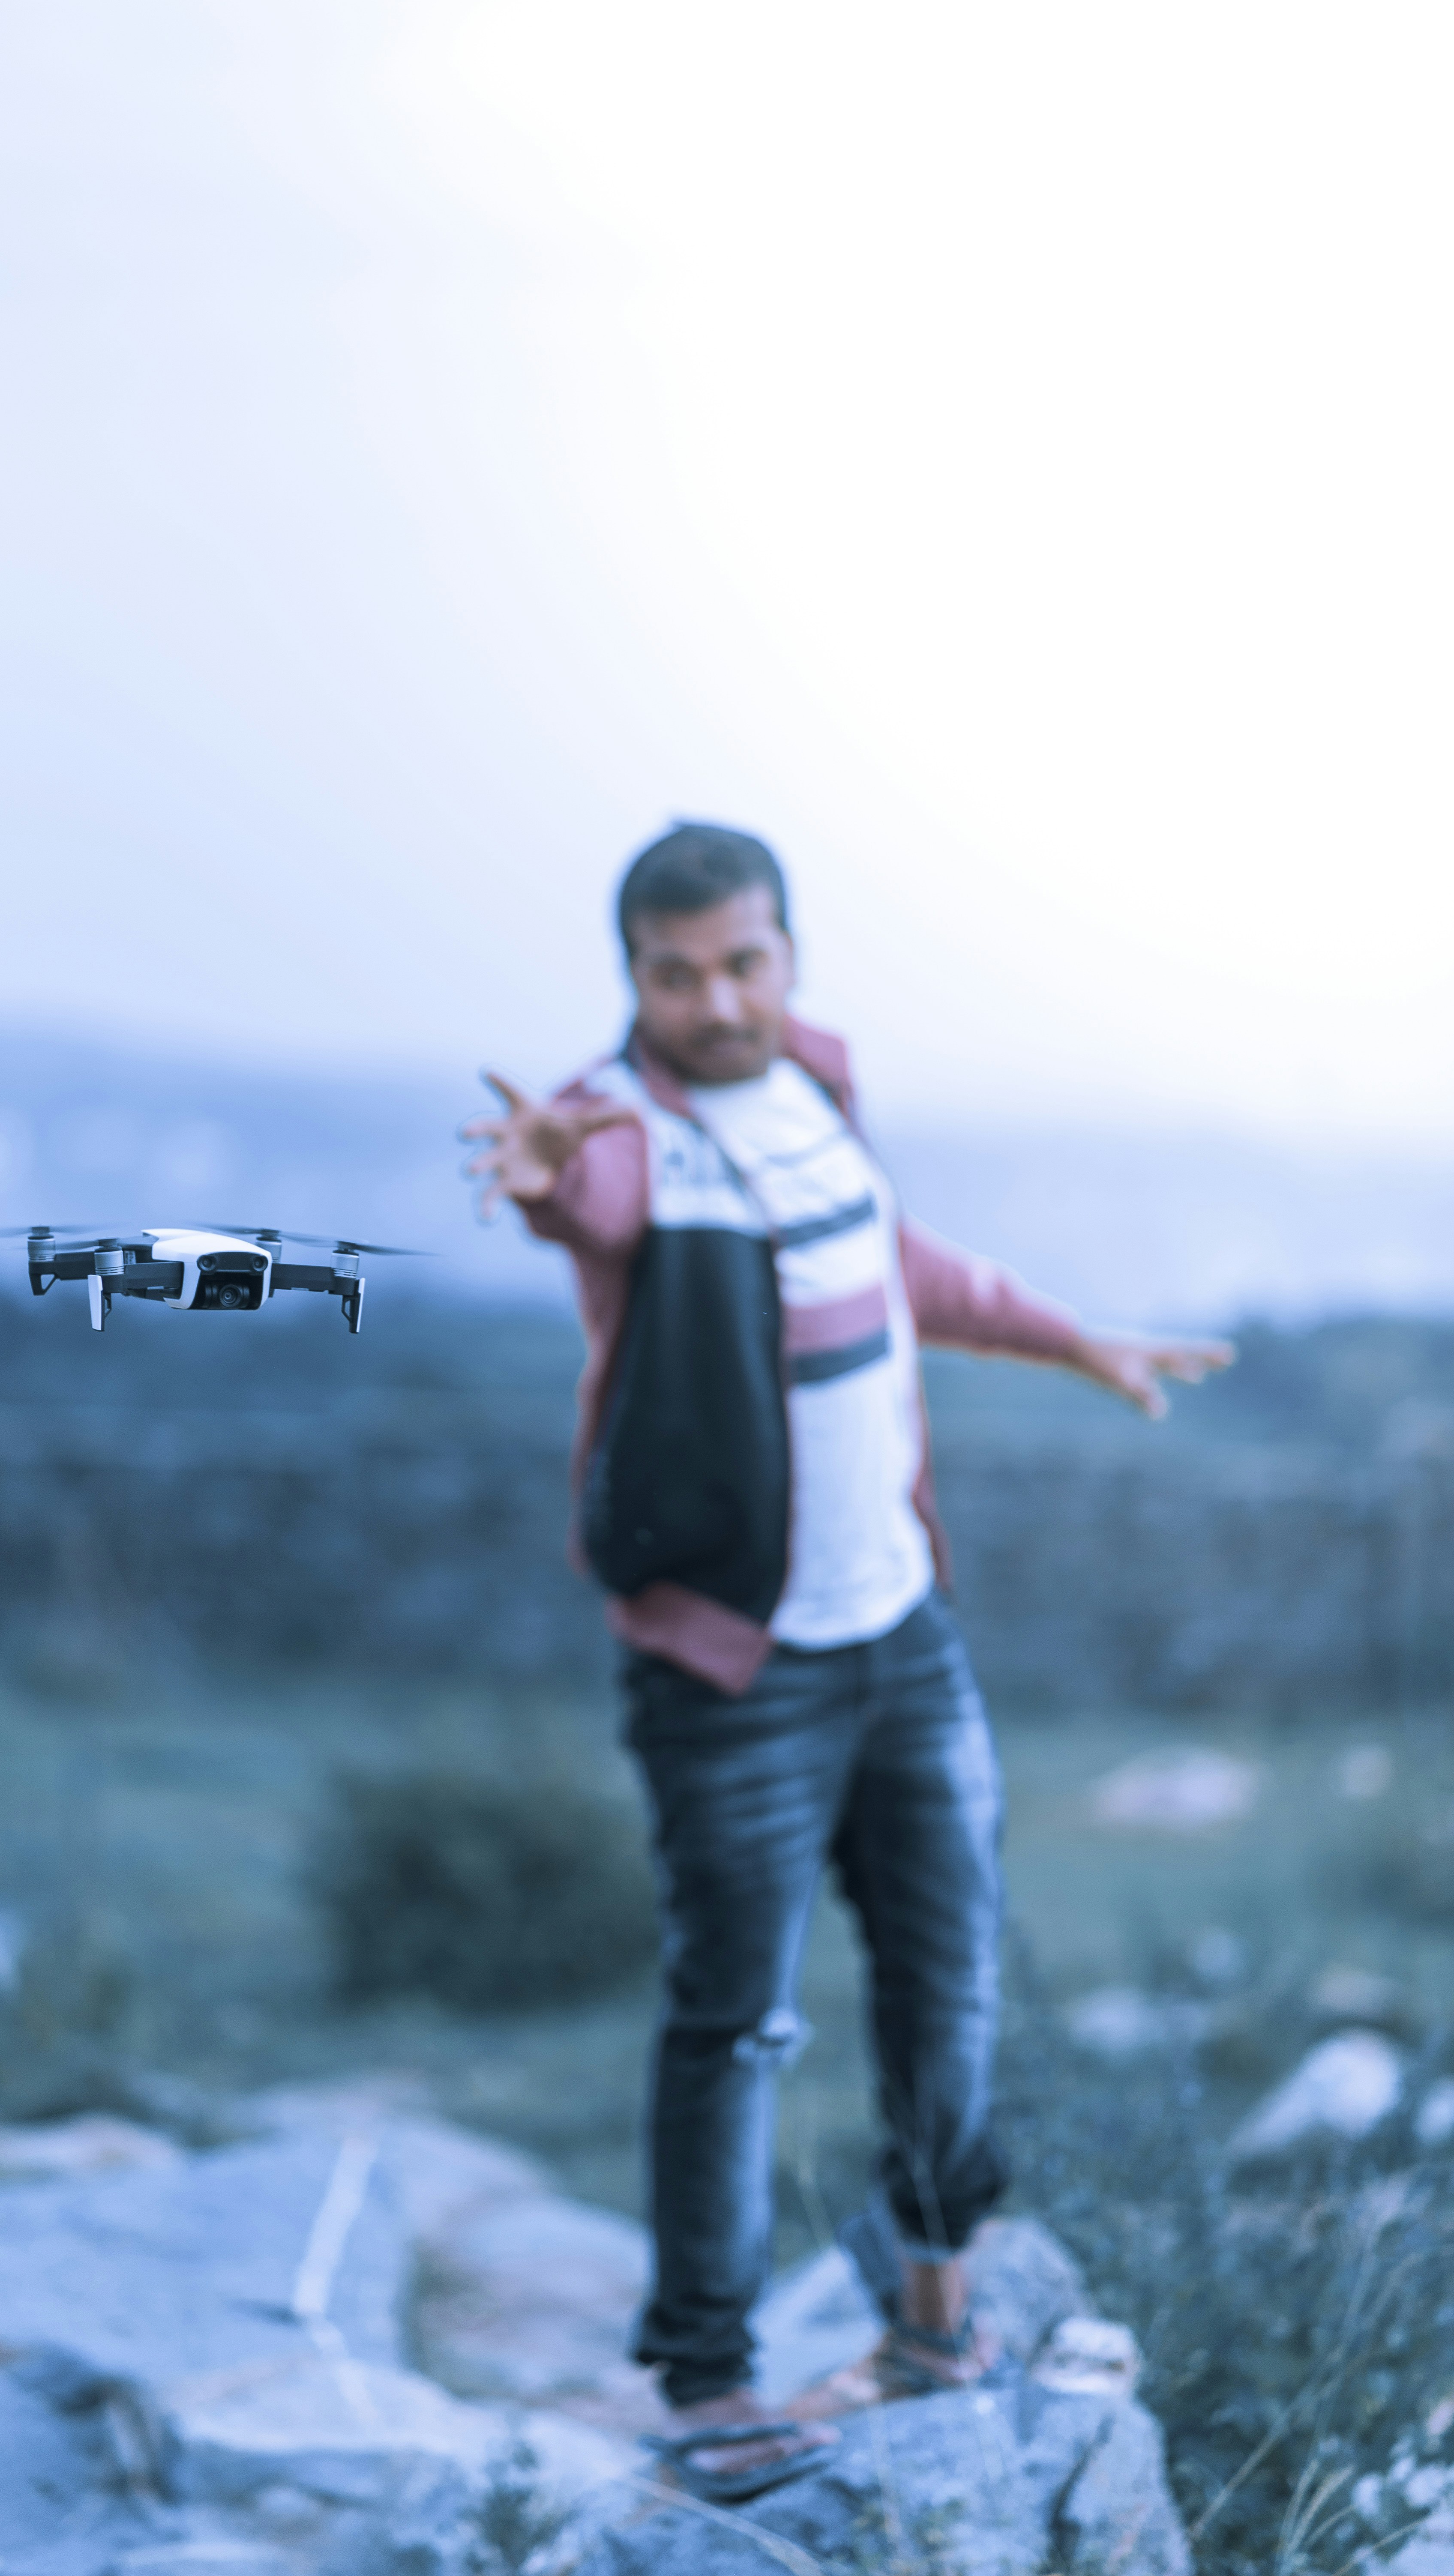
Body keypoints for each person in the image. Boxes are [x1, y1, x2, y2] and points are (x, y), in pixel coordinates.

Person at [461, 822, 1230, 2504]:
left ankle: (933, 2317)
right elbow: (581, 1191)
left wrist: (1069, 1333)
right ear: (633, 978)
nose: (714, 999)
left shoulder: (811, 1091)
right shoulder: (620, 1130)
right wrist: (538, 1182)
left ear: (787, 955)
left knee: (950, 1987)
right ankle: (706, 2375)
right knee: (734, 2023)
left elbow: (889, 1264)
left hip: (904, 1634)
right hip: (731, 1675)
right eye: (675, 972)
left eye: (742, 961)